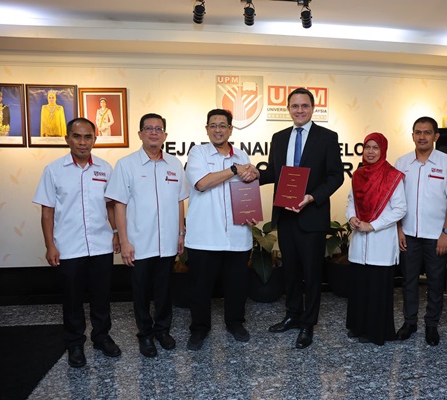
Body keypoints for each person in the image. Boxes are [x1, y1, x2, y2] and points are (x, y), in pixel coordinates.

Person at [259, 87, 344, 349]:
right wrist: (251, 174)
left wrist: (312, 197)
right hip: (286, 216)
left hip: (312, 216)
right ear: (288, 109)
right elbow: (273, 172)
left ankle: (308, 323)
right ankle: (292, 315)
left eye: (304, 106)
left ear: (313, 108)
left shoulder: (327, 137)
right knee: (291, 270)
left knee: (312, 272)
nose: (299, 110)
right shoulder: (279, 137)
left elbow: (336, 176)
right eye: (294, 106)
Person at [33, 117, 121, 368]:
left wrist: (116, 232)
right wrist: (50, 245)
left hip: (101, 245)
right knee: (72, 299)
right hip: (69, 247)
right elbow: (47, 211)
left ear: (95, 139)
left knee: (101, 296)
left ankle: (101, 337)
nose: (83, 142)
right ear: (67, 139)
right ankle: (74, 343)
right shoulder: (54, 170)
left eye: (88, 137)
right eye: (77, 136)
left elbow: (111, 205)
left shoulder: (105, 168)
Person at [105, 113, 189, 358]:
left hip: (167, 242)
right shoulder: (126, 164)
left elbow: (179, 200)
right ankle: (145, 335)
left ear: (165, 135)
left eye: (158, 129)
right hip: (139, 242)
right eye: (149, 128)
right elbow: (119, 204)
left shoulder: (174, 164)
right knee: (141, 292)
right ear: (140, 134)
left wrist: (181, 232)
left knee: (164, 290)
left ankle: (162, 330)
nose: (154, 132)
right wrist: (124, 240)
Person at [184, 109, 259, 350]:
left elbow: (248, 188)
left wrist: (254, 179)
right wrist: (235, 170)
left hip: (237, 234)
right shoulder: (198, 153)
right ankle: (199, 329)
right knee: (200, 287)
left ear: (230, 129)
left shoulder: (242, 154)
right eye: (213, 125)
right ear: (207, 129)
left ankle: (235, 323)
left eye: (223, 125)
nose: (218, 130)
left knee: (237, 285)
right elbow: (201, 183)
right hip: (205, 235)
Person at [395, 116, 447, 346]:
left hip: (436, 237)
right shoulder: (401, 163)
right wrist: (399, 230)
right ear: (412, 135)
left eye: (427, 132)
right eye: (418, 132)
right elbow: (396, 200)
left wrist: (446, 232)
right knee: (409, 282)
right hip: (408, 235)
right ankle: (409, 322)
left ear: (436, 136)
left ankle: (432, 325)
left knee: (435, 282)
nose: (422, 137)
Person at [346, 132, 406, 345]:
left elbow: (400, 209)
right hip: (359, 240)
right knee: (359, 287)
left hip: (381, 241)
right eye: (367, 147)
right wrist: (351, 217)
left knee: (377, 289)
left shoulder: (392, 176)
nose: (370, 152)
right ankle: (357, 326)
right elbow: (351, 201)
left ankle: (375, 332)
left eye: (375, 147)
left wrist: (373, 225)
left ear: (383, 150)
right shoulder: (358, 175)